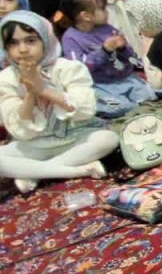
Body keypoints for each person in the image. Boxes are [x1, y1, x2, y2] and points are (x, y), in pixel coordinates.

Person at [0, 11, 117, 193]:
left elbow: (85, 109)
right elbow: (18, 126)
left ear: (45, 40)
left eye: (31, 40)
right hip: (36, 143)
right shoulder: (6, 78)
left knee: (108, 139)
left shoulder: (68, 68)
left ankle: (36, 173)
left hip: (76, 136)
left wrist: (44, 90)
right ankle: (76, 170)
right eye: (13, 43)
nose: (22, 49)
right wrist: (31, 93)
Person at [59, 0, 155, 118]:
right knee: (118, 107)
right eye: (102, 9)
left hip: (125, 78)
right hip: (100, 85)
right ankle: (128, 111)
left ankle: (138, 109)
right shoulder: (71, 38)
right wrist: (104, 51)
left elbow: (131, 58)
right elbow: (79, 68)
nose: (107, 12)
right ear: (86, 16)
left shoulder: (108, 29)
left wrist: (122, 48)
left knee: (148, 97)